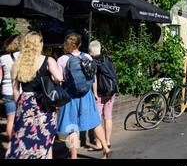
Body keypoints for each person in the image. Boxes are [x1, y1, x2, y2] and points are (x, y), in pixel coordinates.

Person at [5, 31, 63, 159]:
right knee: (45, 137)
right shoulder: (48, 60)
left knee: (24, 139)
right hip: (44, 103)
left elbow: (15, 90)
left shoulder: (17, 64)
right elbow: (59, 77)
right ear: (40, 43)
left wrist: (20, 105)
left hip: (25, 103)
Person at [57, 34, 111, 159]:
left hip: (70, 96)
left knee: (72, 127)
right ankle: (105, 148)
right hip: (87, 95)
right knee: (95, 122)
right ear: (80, 44)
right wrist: (95, 93)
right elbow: (93, 77)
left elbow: (59, 80)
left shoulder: (62, 60)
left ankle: (74, 156)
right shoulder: (87, 57)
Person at [88, 41, 118, 152]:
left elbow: (94, 80)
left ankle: (99, 144)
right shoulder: (108, 59)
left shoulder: (93, 62)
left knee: (97, 118)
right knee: (108, 116)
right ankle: (108, 141)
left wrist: (95, 93)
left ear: (90, 51)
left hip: (100, 94)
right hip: (111, 92)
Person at [0, 35, 21, 142]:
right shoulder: (23, 57)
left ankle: (12, 144)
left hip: (7, 90)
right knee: (21, 119)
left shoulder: (2, 58)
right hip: (21, 91)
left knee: (10, 120)